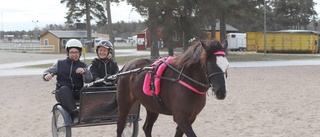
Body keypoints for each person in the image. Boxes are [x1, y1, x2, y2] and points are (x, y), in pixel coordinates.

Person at [43, 39, 92, 121]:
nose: (74, 54)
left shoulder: (83, 65)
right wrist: (46, 75)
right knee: (65, 89)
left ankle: (92, 114)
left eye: (76, 52)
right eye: (72, 52)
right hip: (62, 93)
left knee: (90, 90)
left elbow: (89, 80)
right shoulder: (59, 64)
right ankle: (75, 114)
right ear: (68, 53)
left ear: (79, 53)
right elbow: (47, 72)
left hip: (77, 93)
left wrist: (85, 72)